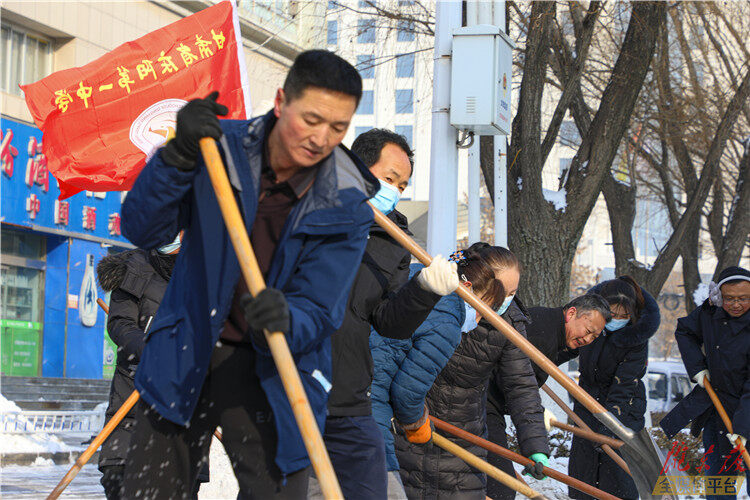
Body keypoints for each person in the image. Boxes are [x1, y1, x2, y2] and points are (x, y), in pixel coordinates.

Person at [120, 50, 379, 499]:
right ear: (281, 102)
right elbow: (143, 229)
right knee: (149, 492)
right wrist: (176, 158)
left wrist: (287, 318)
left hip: (278, 368)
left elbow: (321, 308)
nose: (321, 139)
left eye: (338, 128)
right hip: (186, 349)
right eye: (312, 119)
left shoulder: (347, 204)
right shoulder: (217, 149)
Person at [306, 129, 458, 499]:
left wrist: (424, 291)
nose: (395, 191)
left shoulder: (394, 240)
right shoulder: (306, 213)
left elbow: (389, 322)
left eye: (402, 185)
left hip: (349, 394)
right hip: (291, 387)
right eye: (389, 179)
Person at [376, 243, 550, 499]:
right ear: (478, 282)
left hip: (464, 433)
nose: (507, 300)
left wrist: (535, 443)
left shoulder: (509, 323)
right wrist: (413, 419)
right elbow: (406, 382)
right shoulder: (440, 309)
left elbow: (521, 384)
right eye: (504, 292)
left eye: (514, 293)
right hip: (411, 425)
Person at [96, 233, 206, 499]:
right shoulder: (134, 268)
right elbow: (120, 324)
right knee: (119, 481)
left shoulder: (208, 273)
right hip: (132, 399)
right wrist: (151, 350)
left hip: (183, 407)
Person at [485, 293, 612, 499]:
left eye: (594, 337)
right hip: (480, 404)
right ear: (572, 313)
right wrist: (534, 441)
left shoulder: (555, 333)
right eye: (588, 331)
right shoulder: (542, 333)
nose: (587, 339)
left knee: (494, 484)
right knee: (500, 489)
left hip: (489, 405)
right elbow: (519, 388)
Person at [661, 266, 750, 500]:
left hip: (748, 410)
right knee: (719, 485)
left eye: (743, 298)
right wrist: (697, 367)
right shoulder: (709, 313)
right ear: (719, 297)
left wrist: (742, 428)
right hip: (716, 407)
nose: (736, 304)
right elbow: (685, 331)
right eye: (729, 298)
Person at [568, 276, 660, 500]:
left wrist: (610, 425)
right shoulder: (591, 327)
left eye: (623, 316)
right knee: (584, 477)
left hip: (623, 412)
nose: (616, 320)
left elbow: (625, 383)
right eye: (612, 314)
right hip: (587, 405)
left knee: (617, 480)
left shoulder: (636, 338)